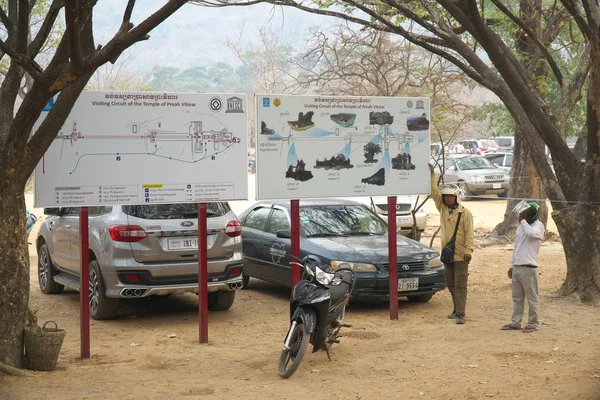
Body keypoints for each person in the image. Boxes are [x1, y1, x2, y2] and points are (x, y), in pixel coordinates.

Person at [429, 165, 475, 324]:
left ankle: (461, 313)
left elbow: (469, 233)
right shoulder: (442, 209)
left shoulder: (465, 213)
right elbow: (434, 193)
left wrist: (469, 250)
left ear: (456, 197)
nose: (448, 199)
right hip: (448, 253)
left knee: (461, 284)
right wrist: (431, 175)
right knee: (450, 283)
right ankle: (456, 309)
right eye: (446, 196)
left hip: (461, 253)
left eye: (451, 196)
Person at [502, 201, 544, 333]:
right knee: (517, 298)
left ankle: (533, 323)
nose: (521, 216)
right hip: (518, 267)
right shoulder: (521, 227)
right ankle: (516, 322)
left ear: (531, 214)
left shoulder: (538, 226)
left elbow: (532, 234)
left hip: (529, 267)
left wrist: (523, 222)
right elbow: (517, 247)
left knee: (532, 297)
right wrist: (511, 265)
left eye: (524, 213)